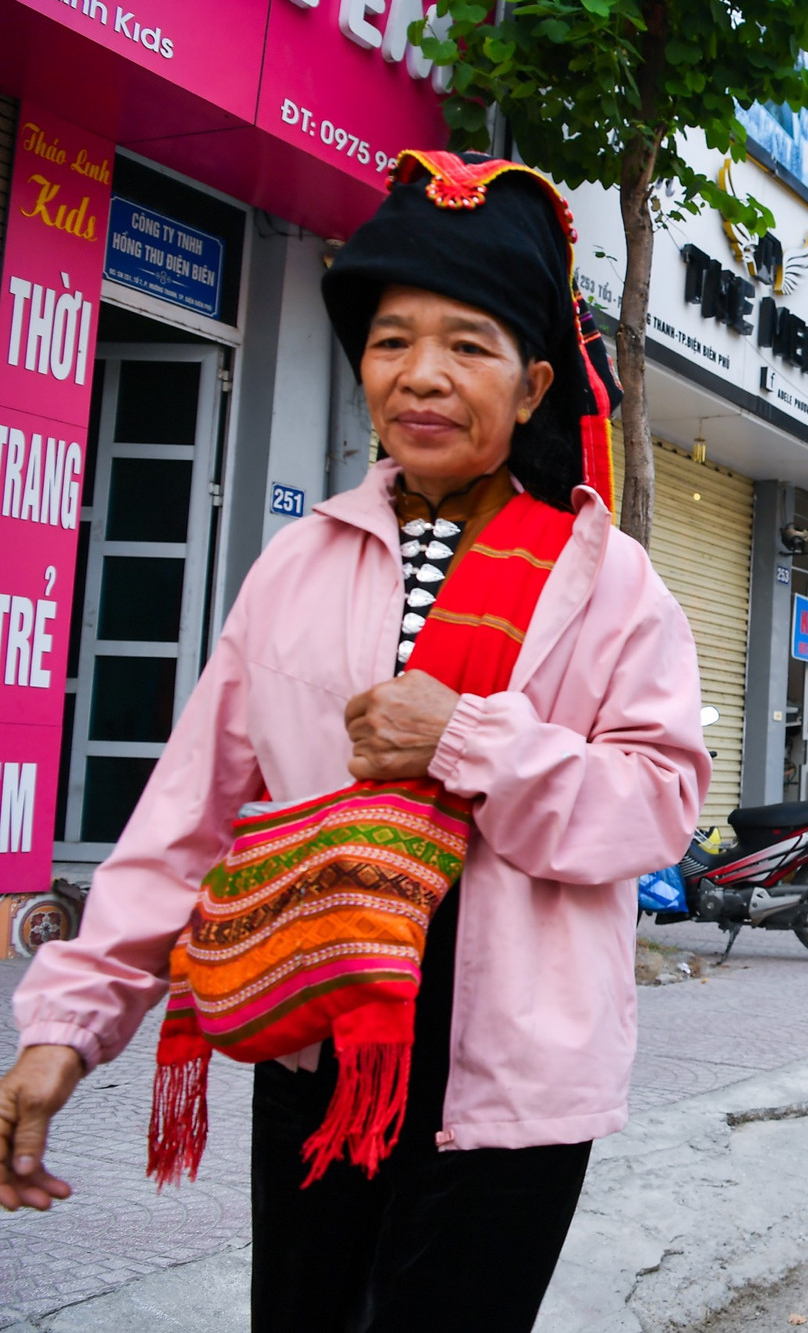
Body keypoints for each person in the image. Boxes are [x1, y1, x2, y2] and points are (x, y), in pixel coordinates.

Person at [0, 152, 712, 1332]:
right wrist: (68, 1026)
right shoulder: (299, 563)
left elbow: (654, 805)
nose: (421, 376)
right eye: (391, 342)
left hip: (510, 1084)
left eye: (467, 346)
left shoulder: (610, 583)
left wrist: (470, 739)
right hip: (319, 1045)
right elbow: (189, 816)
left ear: (534, 385)